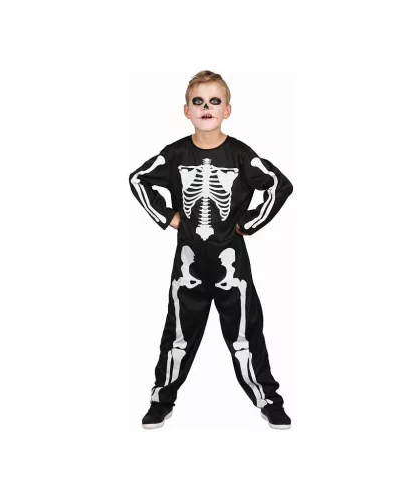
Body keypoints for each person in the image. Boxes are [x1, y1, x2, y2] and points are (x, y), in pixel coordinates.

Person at [128, 70, 294, 430]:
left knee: (246, 334)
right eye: (198, 101)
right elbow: (138, 179)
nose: (207, 107)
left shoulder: (240, 154)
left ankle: (268, 400)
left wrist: (248, 223)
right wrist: (169, 217)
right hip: (189, 263)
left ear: (227, 110)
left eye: (215, 101)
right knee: (177, 336)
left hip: (230, 263)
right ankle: (161, 399)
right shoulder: (175, 154)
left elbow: (279, 184)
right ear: (186, 110)